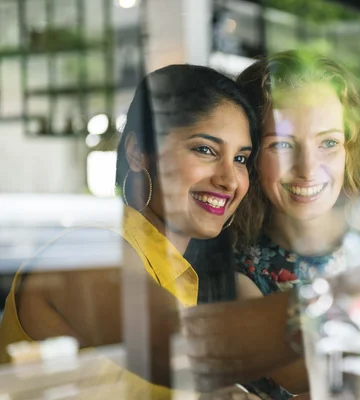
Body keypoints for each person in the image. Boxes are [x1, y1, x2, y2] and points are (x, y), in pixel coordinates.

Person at [0, 64, 262, 398]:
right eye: (205, 149)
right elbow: (178, 347)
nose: (229, 179)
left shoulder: (181, 275)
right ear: (138, 153)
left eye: (241, 159)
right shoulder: (91, 250)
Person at [232, 50, 360, 399]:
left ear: (350, 150)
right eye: (281, 144)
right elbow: (314, 381)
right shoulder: (237, 275)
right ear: (249, 155)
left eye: (328, 142)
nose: (308, 169)